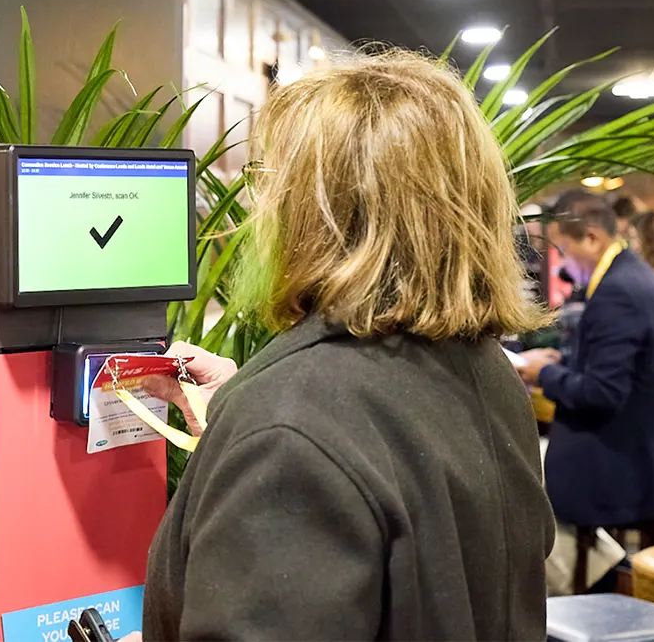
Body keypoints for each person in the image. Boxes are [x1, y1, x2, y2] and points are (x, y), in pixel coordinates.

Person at [141, 48, 555, 641]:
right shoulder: (485, 372)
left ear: (314, 212)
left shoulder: (291, 430)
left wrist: (272, 427)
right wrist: (249, 411)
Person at [519, 191, 654, 533]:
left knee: (520, 493)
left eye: (563, 250)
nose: (562, 262)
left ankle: (593, 580)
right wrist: (563, 362)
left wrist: (543, 373)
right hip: (641, 450)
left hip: (628, 468)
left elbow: (602, 393)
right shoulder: (630, 276)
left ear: (592, 238)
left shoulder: (619, 292)